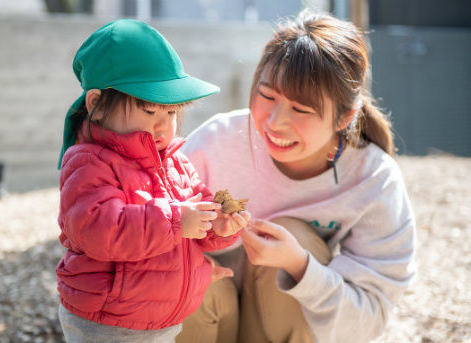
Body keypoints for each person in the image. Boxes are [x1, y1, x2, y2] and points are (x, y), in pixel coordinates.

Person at [177, 9, 416, 343]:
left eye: (301, 109)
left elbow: (370, 318)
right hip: (207, 316)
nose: (275, 122)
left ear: (344, 117)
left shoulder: (373, 179)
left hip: (285, 322)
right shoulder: (216, 143)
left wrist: (301, 267)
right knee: (183, 274)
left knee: (292, 235)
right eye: (268, 96)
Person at [55, 19, 250, 343]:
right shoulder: (89, 161)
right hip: (108, 321)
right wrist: (176, 221)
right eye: (148, 112)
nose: (163, 126)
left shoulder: (175, 162)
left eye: (171, 113)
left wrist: (218, 227)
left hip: (160, 318)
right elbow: (100, 230)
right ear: (96, 105)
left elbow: (195, 217)